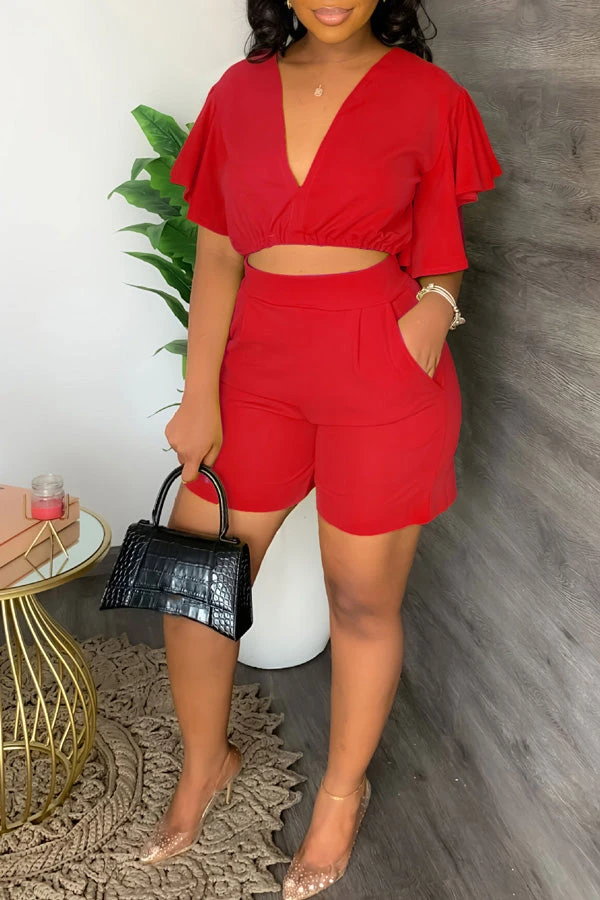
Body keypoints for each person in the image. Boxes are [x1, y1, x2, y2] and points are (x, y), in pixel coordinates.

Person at [139, 1, 502, 897]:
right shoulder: (238, 93)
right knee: (195, 579)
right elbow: (218, 255)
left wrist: (432, 313)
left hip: (381, 364)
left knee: (361, 599)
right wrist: (198, 395)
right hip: (259, 365)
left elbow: (445, 249)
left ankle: (342, 795)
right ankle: (205, 764)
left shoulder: (428, 95)